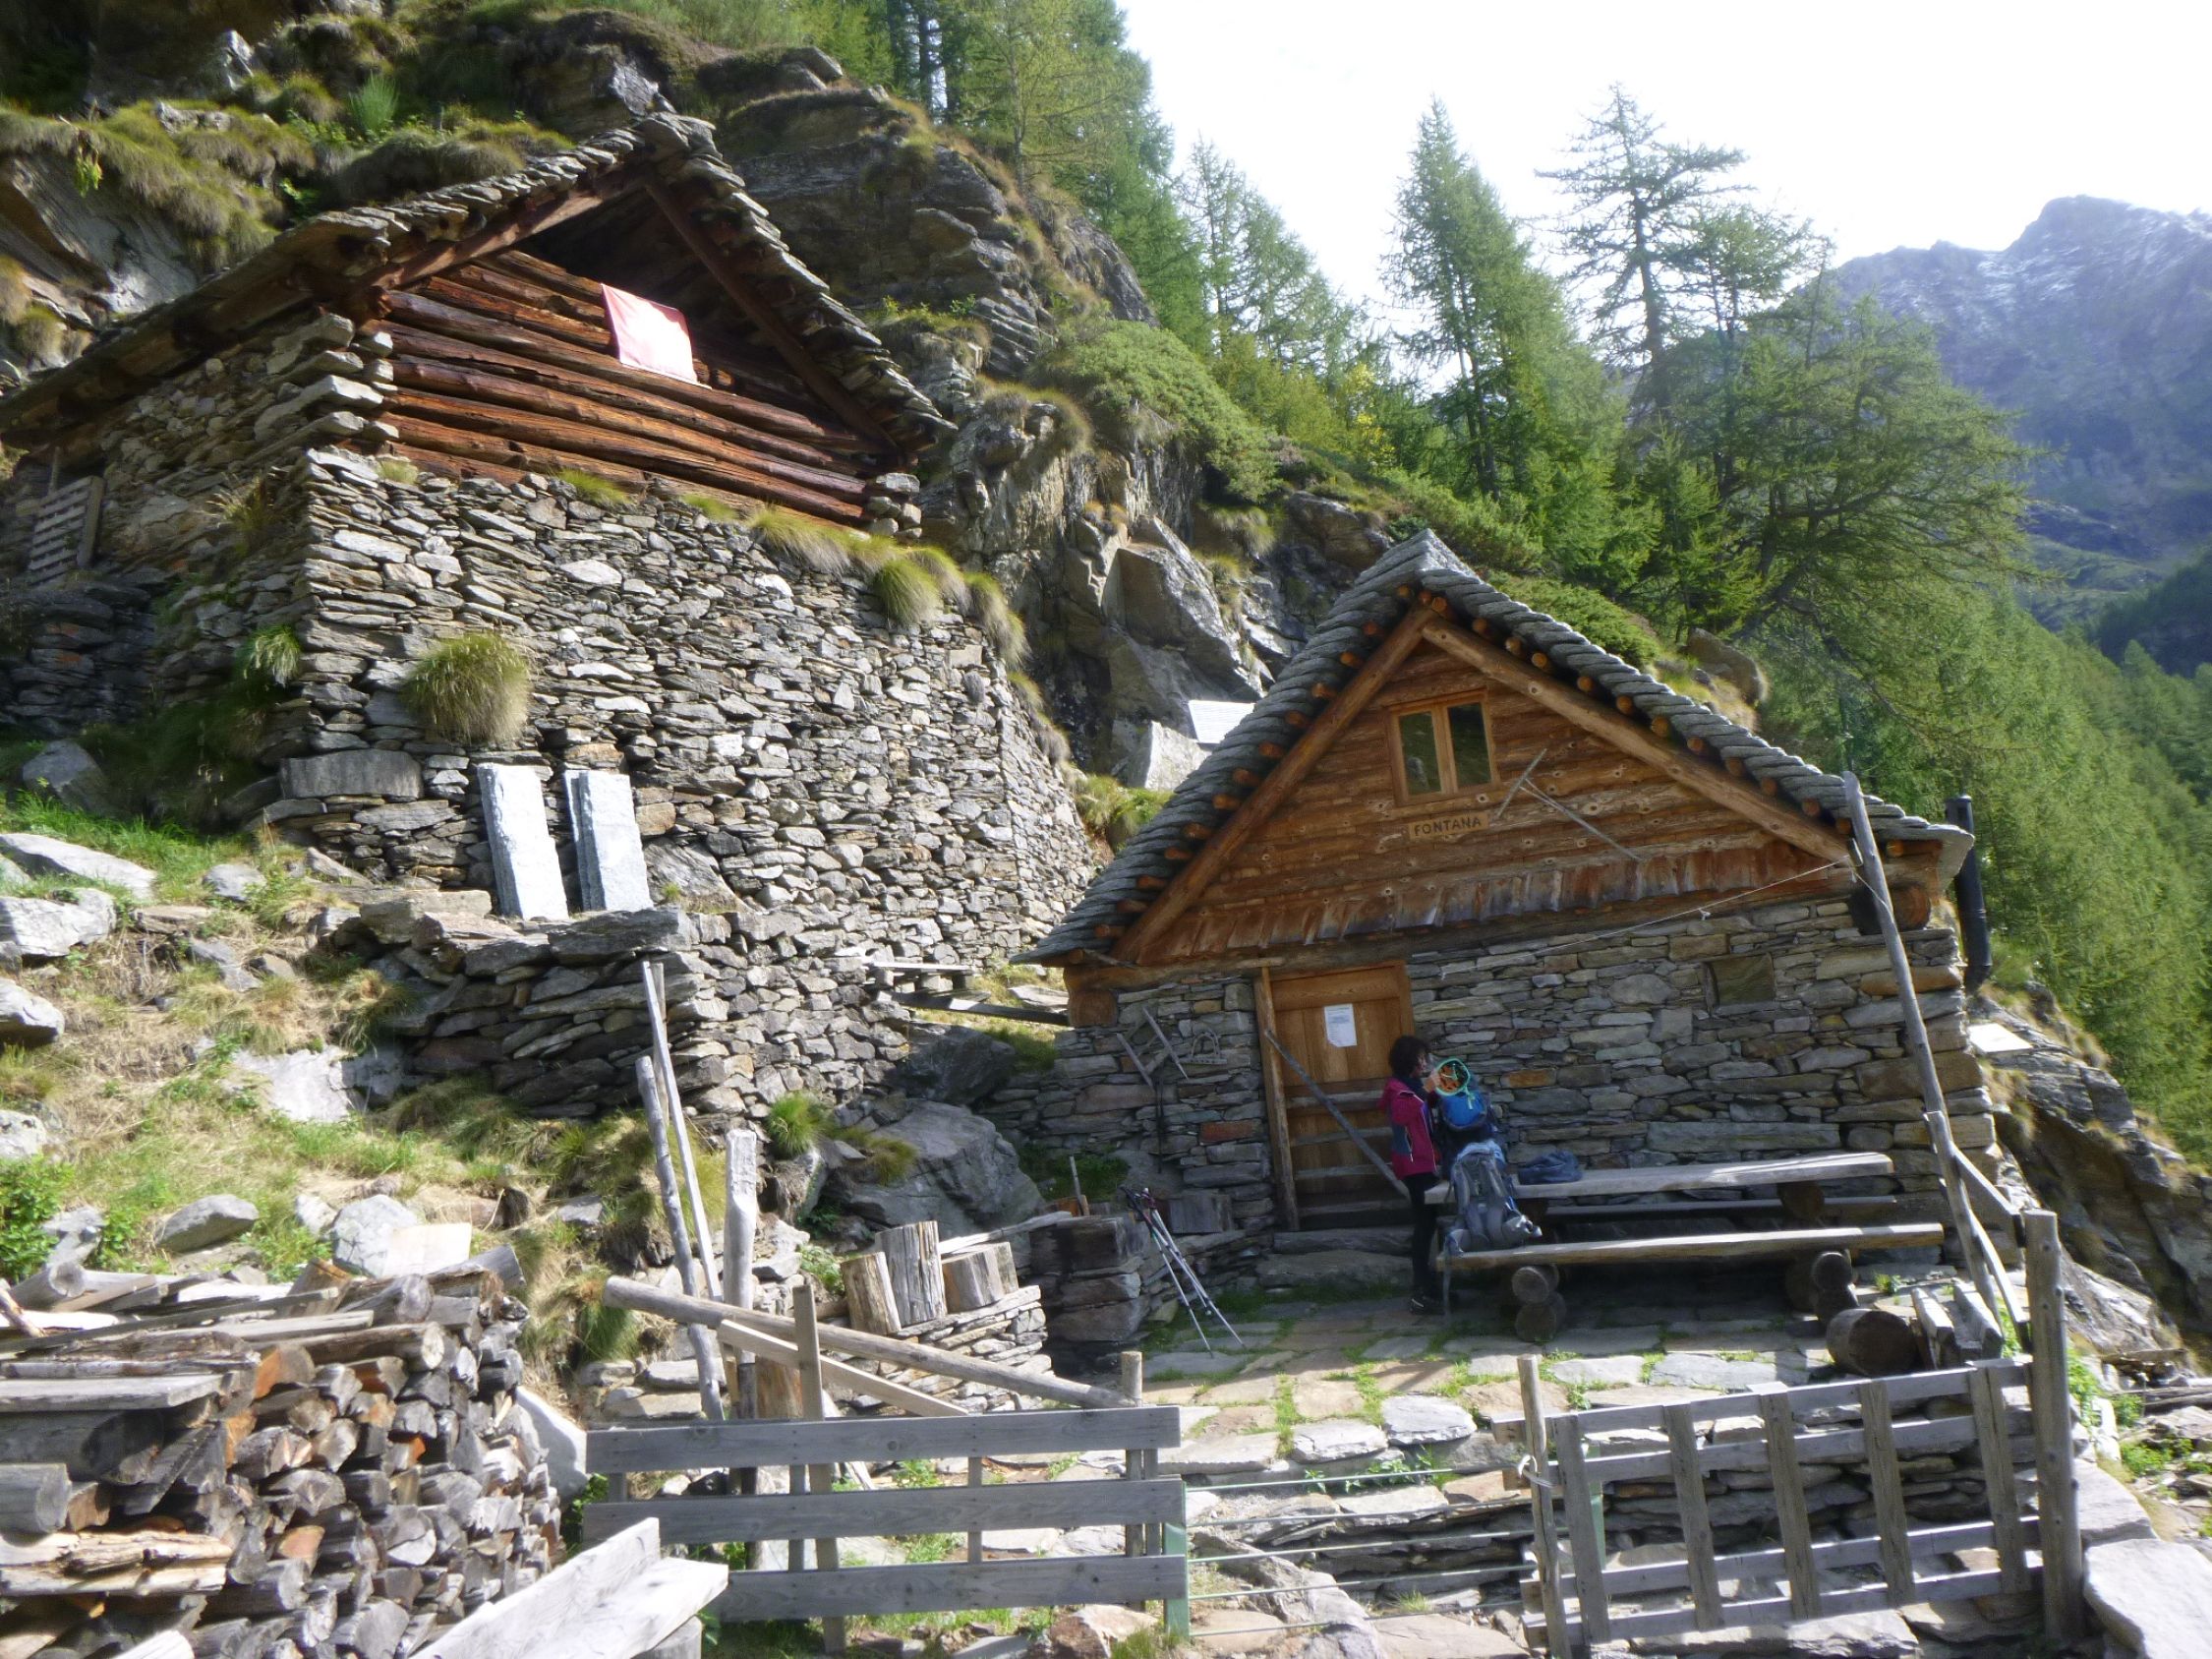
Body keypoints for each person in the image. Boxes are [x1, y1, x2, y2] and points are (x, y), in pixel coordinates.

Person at [1381, 1034, 1446, 1313]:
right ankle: (1421, 1291)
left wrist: (1436, 1090)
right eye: (1420, 1058)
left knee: (1429, 1223)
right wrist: (1425, 1090)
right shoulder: (1397, 1089)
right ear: (1409, 1061)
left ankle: (1430, 1288)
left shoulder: (1410, 1086)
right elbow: (1402, 1114)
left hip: (1423, 1162)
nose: (1425, 1063)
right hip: (1412, 1163)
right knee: (1424, 1224)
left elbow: (1424, 1105)